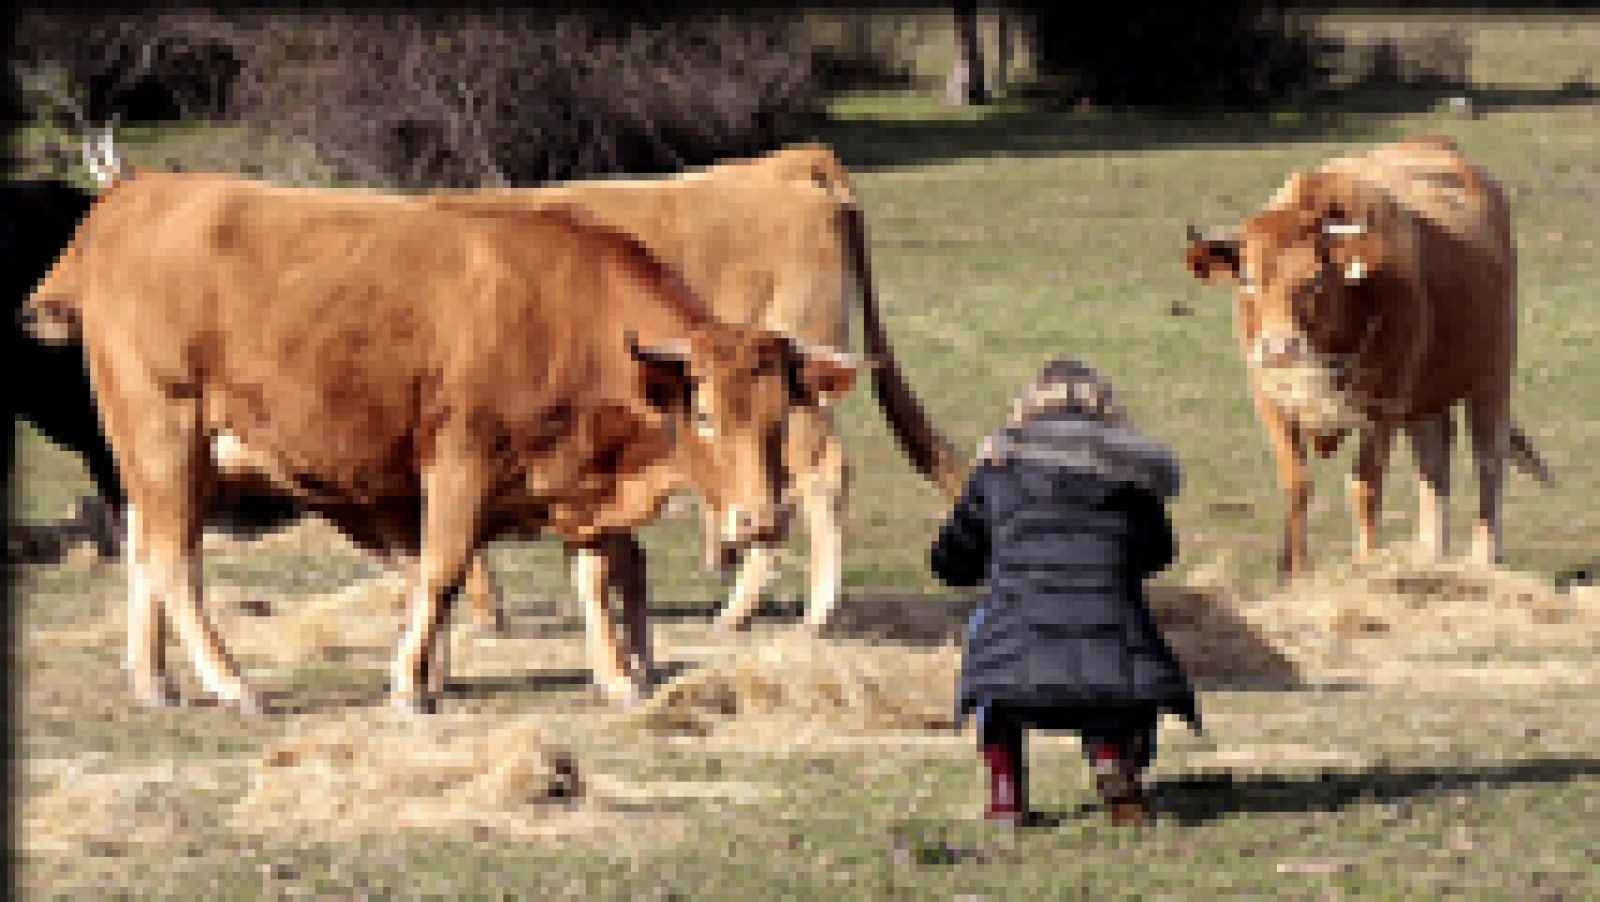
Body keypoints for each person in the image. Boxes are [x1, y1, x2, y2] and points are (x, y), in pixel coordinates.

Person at [931, 359, 1200, 827]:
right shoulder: (1134, 476)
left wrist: (998, 557)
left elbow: (950, 563)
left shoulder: (996, 471)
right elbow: (1159, 554)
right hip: (1113, 672)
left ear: (1028, 406)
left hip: (1015, 669)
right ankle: (1113, 753)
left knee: (986, 626)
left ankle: (1006, 794)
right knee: (1124, 621)